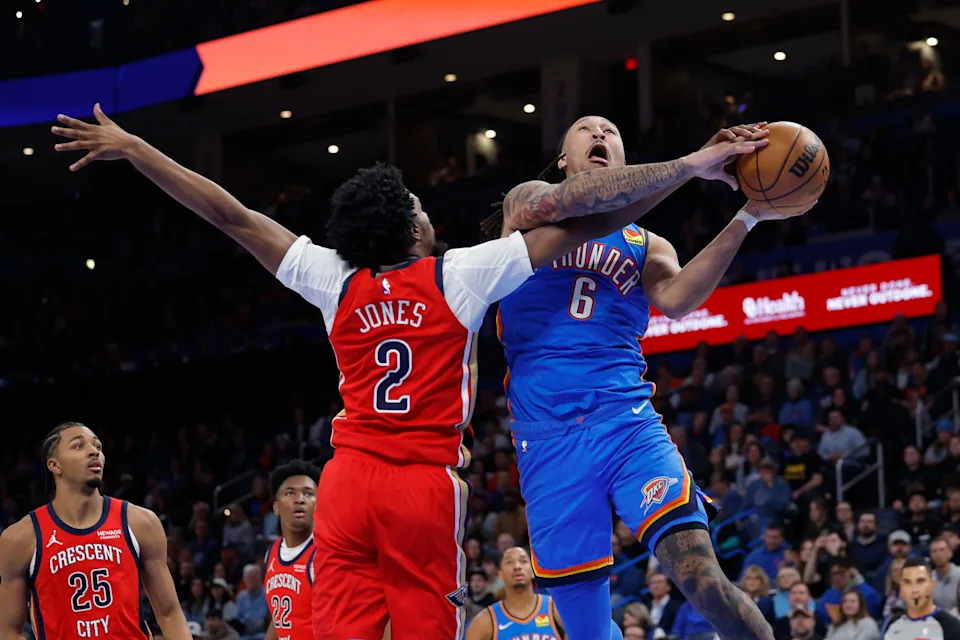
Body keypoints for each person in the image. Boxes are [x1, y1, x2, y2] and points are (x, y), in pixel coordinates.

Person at [51, 106, 713, 639]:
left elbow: (230, 215)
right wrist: (691, 166)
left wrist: (136, 150)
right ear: (408, 227)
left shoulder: (333, 276)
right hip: (419, 485)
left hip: (346, 485)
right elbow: (594, 220)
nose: (429, 211)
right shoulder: (460, 273)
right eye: (419, 206)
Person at [490, 114, 806, 640]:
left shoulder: (649, 243)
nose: (599, 134)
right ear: (562, 158)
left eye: (610, 131)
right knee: (588, 631)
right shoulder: (527, 202)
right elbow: (578, 201)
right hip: (547, 442)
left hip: (626, 424)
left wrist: (749, 214)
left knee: (705, 581)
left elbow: (677, 300)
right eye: (585, 129)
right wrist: (691, 164)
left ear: (625, 158)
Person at [0, 422, 191, 640]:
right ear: (54, 465)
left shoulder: (140, 523)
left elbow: (169, 614)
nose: (94, 452)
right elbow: (10, 631)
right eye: (78, 446)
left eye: (97, 446)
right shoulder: (21, 538)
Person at [263, 461, 321, 640]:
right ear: (276, 507)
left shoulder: (326, 553)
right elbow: (280, 619)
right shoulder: (271, 553)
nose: (299, 499)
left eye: (308, 493)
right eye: (290, 493)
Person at [466, 547, 566, 640]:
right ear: (500, 575)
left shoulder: (557, 609)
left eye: (523, 561)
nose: (517, 566)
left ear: (532, 571)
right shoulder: (485, 621)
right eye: (509, 562)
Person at [883, 558, 960, 638]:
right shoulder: (893, 624)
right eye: (908, 582)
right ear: (902, 587)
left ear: (932, 584)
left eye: (920, 581)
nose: (914, 589)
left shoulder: (951, 626)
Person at [928, 536, 960, 612]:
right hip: (935, 618)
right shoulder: (928, 578)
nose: (938, 554)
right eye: (934, 551)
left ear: (950, 553)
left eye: (942, 550)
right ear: (930, 555)